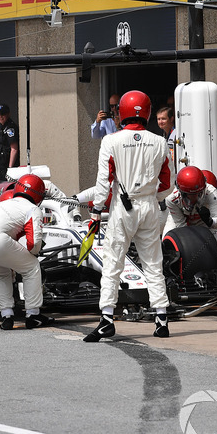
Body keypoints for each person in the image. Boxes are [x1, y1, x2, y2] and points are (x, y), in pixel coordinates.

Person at [84, 91, 173, 341]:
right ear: (146, 111)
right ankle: (161, 318)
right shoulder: (160, 141)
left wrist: (96, 211)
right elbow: (168, 184)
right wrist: (151, 197)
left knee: (112, 263)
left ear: (121, 112)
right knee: (153, 264)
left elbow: (104, 182)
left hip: (123, 209)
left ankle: (107, 319)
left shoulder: (111, 141)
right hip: (149, 206)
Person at [0, 174, 55, 330]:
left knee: (1, 273)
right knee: (31, 266)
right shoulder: (32, 208)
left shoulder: (1, 204)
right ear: (38, 194)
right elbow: (33, 243)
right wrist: (33, 254)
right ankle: (33, 314)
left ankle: (7, 315)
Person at [0, 104, 19, 180]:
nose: (0, 117)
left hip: (8, 166)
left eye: (3, 114)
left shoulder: (10, 128)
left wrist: (10, 169)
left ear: (8, 114)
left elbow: (14, 149)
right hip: (0, 166)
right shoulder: (0, 127)